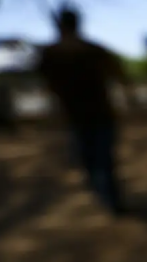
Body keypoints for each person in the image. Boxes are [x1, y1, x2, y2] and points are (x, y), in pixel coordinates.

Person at [36, 7, 135, 215]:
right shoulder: (53, 55)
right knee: (91, 160)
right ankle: (105, 195)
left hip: (95, 116)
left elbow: (118, 75)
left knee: (102, 160)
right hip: (83, 117)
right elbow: (48, 86)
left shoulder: (86, 51)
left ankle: (111, 199)